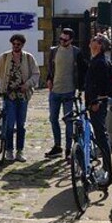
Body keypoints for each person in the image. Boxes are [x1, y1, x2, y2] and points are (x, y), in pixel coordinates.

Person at [0, 33, 39, 162]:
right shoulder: (4, 57)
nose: (15, 46)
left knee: (21, 125)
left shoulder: (28, 58)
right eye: (14, 44)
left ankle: (20, 151)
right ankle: (9, 150)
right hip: (9, 95)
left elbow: (36, 74)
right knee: (9, 124)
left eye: (18, 44)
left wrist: (27, 84)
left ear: (22, 45)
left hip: (23, 95)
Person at [45, 28, 87, 159]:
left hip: (69, 91)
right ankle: (57, 146)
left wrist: (80, 88)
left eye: (65, 39)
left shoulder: (76, 52)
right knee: (53, 119)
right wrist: (48, 79)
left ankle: (69, 149)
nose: (62, 41)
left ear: (71, 40)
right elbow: (50, 68)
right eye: (60, 39)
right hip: (55, 91)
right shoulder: (53, 51)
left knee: (69, 121)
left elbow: (81, 70)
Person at [84, 33, 112, 188]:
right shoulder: (96, 60)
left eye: (94, 40)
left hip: (97, 105)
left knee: (101, 137)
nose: (91, 41)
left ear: (99, 45)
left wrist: (95, 101)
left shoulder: (100, 62)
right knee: (100, 136)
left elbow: (101, 86)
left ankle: (108, 172)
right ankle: (105, 169)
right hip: (94, 104)